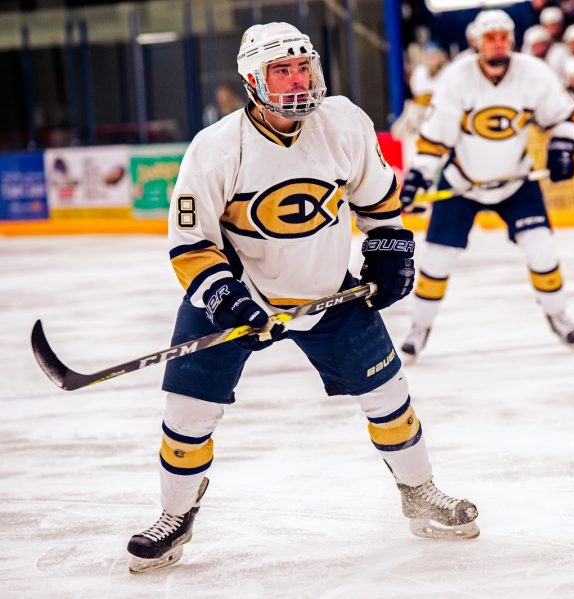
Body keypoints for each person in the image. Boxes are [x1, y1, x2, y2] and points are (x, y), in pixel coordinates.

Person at [125, 22, 479, 575]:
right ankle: (175, 514)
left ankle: (418, 490)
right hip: (239, 295)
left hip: (326, 292)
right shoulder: (217, 148)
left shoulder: (342, 121)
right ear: (251, 80)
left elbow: (377, 199)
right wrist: (225, 298)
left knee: (390, 395)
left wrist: (389, 250)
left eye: (301, 67)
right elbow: (192, 245)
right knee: (188, 413)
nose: (296, 81)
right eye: (280, 70)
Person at [397, 9, 574, 360]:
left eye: (503, 36)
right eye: (490, 38)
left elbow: (565, 117)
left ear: (511, 39)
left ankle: (558, 314)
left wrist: (563, 147)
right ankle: (419, 328)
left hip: (516, 181)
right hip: (463, 184)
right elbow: (436, 140)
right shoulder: (457, 78)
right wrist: (419, 175)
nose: (497, 44)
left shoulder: (534, 74)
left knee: (541, 248)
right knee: (436, 260)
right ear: (476, 42)